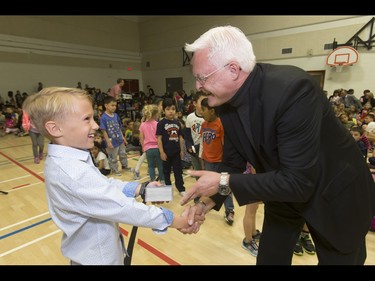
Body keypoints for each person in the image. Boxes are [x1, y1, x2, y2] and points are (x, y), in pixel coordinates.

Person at [180, 25, 375, 265]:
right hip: (284, 192)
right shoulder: (224, 102)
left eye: (202, 77)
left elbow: (298, 181)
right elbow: (232, 163)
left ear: (233, 69)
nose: (198, 86)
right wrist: (208, 202)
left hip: (335, 195)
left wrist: (223, 181)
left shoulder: (293, 89)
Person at [22, 87, 202, 265]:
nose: (95, 125)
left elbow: (103, 185)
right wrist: (177, 220)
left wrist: (140, 188)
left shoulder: (71, 161)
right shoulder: (72, 173)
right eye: (86, 119)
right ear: (55, 128)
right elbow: (124, 208)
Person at [199, 97, 235, 225]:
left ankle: (229, 210)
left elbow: (225, 144)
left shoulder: (221, 124)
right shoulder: (203, 125)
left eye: (203, 109)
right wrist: (202, 158)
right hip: (208, 161)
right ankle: (205, 206)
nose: (201, 112)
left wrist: (226, 162)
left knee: (224, 187)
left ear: (212, 111)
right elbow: (203, 143)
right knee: (209, 186)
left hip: (220, 162)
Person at [156, 98, 186, 196]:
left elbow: (180, 138)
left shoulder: (177, 123)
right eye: (168, 109)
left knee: (178, 172)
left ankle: (181, 188)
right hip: (166, 152)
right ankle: (168, 189)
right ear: (163, 110)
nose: (171, 111)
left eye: (173, 109)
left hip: (176, 152)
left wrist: (182, 150)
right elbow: (159, 139)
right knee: (166, 172)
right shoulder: (161, 123)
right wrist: (161, 152)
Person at [100, 96, 130, 176]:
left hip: (119, 140)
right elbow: (104, 131)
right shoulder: (103, 117)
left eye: (115, 105)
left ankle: (125, 166)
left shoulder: (116, 115)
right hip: (111, 142)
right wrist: (108, 142)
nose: (114, 107)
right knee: (113, 157)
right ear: (106, 105)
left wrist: (123, 137)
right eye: (112, 105)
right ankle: (115, 170)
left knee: (123, 154)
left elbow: (119, 127)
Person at [21, 98, 45, 164]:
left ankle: (40, 152)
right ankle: (36, 157)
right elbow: (25, 119)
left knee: (41, 144)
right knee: (34, 144)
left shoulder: (42, 112)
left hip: (40, 130)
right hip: (32, 130)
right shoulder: (29, 112)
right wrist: (25, 127)